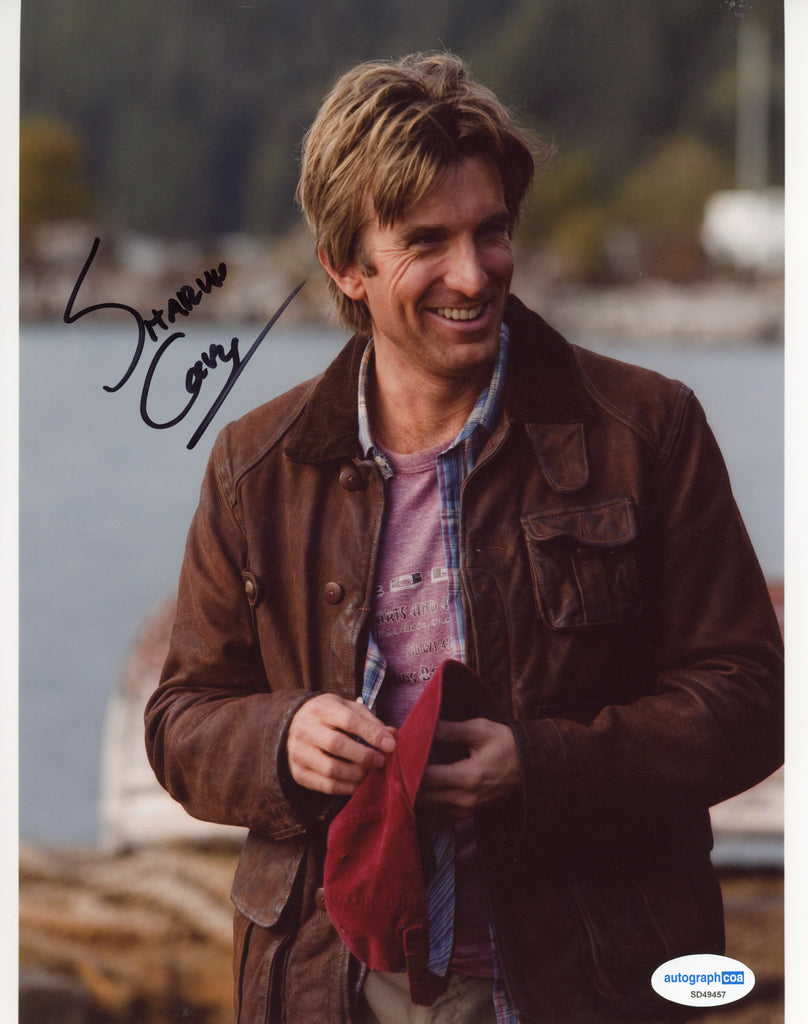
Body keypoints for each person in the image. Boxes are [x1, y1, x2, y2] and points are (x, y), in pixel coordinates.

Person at [145, 53, 783, 1024]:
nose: (473, 273)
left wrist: (541, 765)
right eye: (426, 241)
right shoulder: (254, 464)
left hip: (589, 980)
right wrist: (282, 738)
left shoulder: (648, 430)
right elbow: (181, 720)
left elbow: (750, 699)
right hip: (330, 985)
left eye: (491, 231)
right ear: (344, 267)